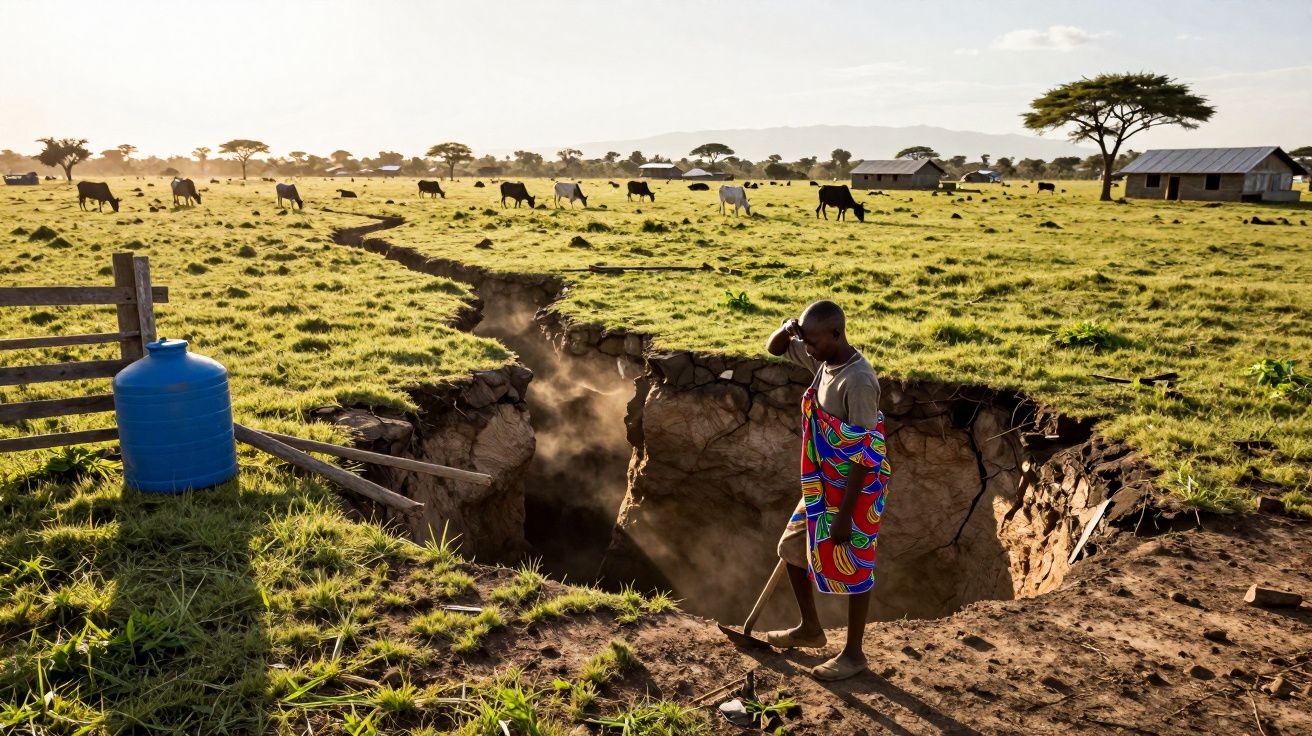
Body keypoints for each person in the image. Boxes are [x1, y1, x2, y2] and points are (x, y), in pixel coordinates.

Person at [763, 299, 890, 681]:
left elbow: (864, 452)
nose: (808, 350)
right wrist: (789, 330)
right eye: (806, 342)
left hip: (857, 487)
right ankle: (810, 629)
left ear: (837, 334)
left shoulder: (859, 381)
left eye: (813, 342)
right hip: (823, 481)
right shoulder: (824, 359)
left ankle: (854, 654)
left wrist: (845, 516)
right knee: (791, 546)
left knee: (857, 563)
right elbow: (774, 348)